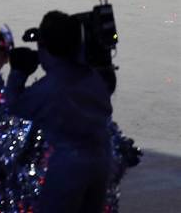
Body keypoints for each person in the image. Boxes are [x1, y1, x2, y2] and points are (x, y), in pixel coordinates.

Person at [7, 11, 116, 213]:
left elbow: (15, 108)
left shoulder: (51, 88)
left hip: (69, 167)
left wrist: (18, 74)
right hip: (102, 160)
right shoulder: (93, 77)